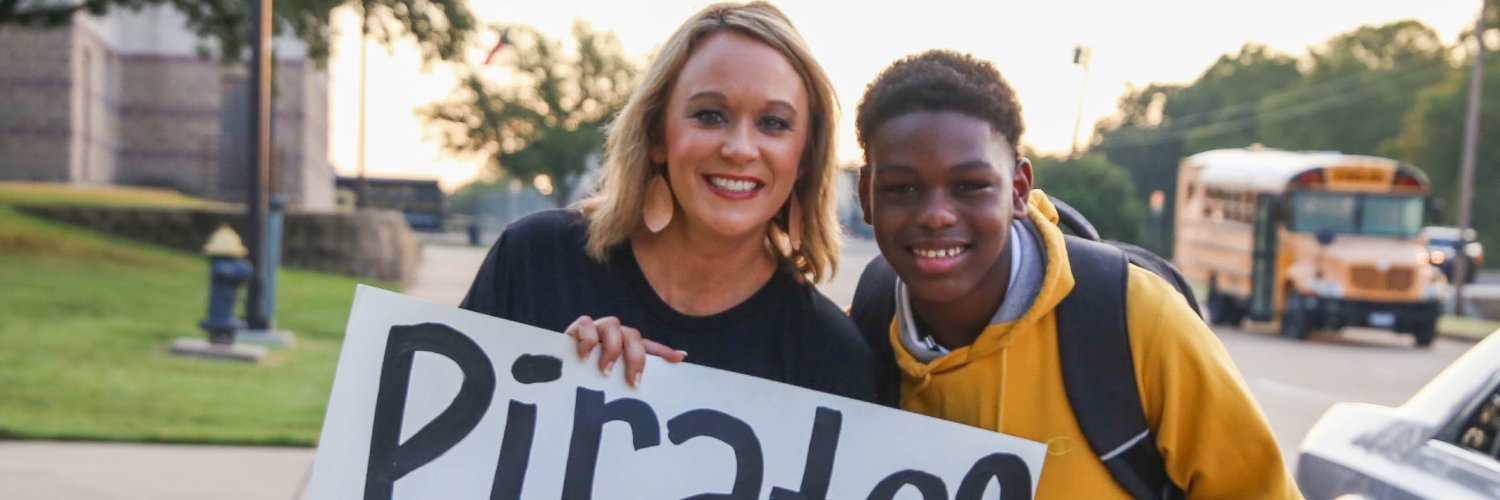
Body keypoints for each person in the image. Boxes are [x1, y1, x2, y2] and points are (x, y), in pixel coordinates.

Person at [852, 50, 1302, 498]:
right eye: (901, 188)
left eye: (970, 185)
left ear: (1019, 189)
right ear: (867, 197)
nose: (935, 215)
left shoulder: (1134, 318)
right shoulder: (862, 325)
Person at [459, 1, 874, 402]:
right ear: (657, 136)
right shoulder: (533, 261)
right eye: (710, 115)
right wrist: (557, 371)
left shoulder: (832, 356)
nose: (740, 148)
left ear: (804, 156)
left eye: (773, 123)